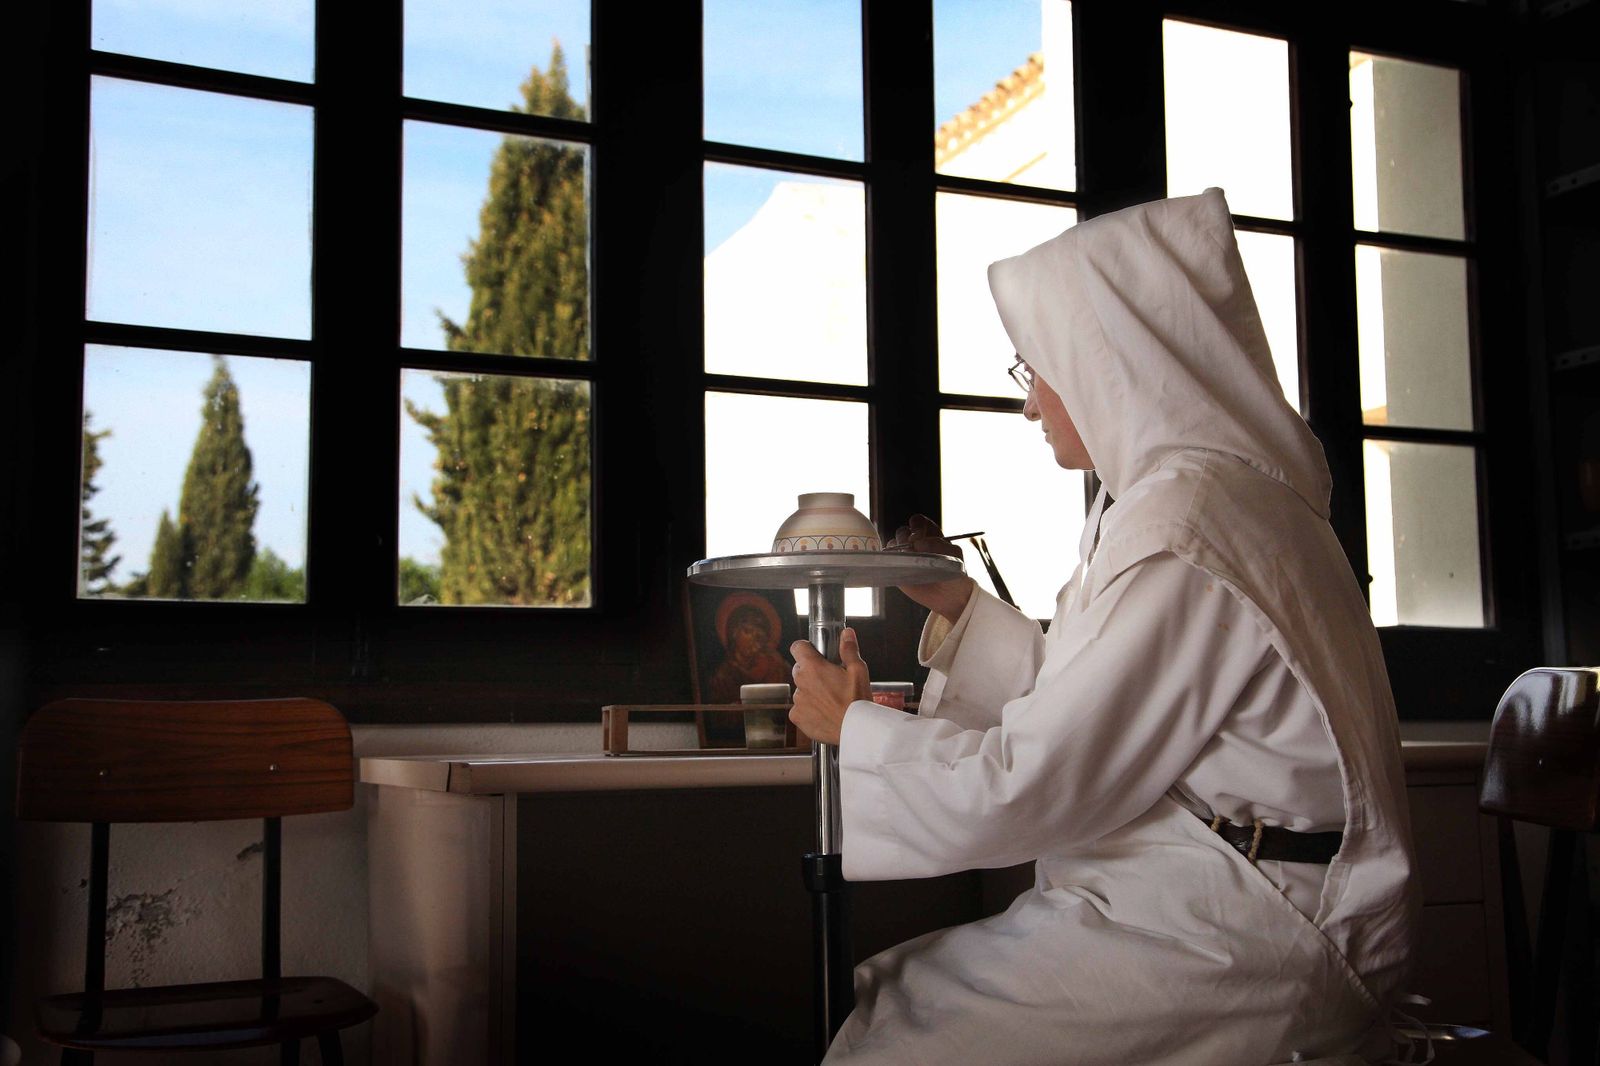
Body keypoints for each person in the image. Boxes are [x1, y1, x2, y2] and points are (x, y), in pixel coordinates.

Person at [788, 188, 1419, 1065]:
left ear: (1105, 363)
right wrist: (967, 614)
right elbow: (1112, 697)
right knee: (897, 996)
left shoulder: (1189, 525)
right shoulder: (1202, 501)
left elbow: (1041, 776)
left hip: (1242, 922)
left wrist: (851, 726)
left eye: (1033, 371)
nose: (1031, 405)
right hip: (1202, 890)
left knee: (897, 1036)